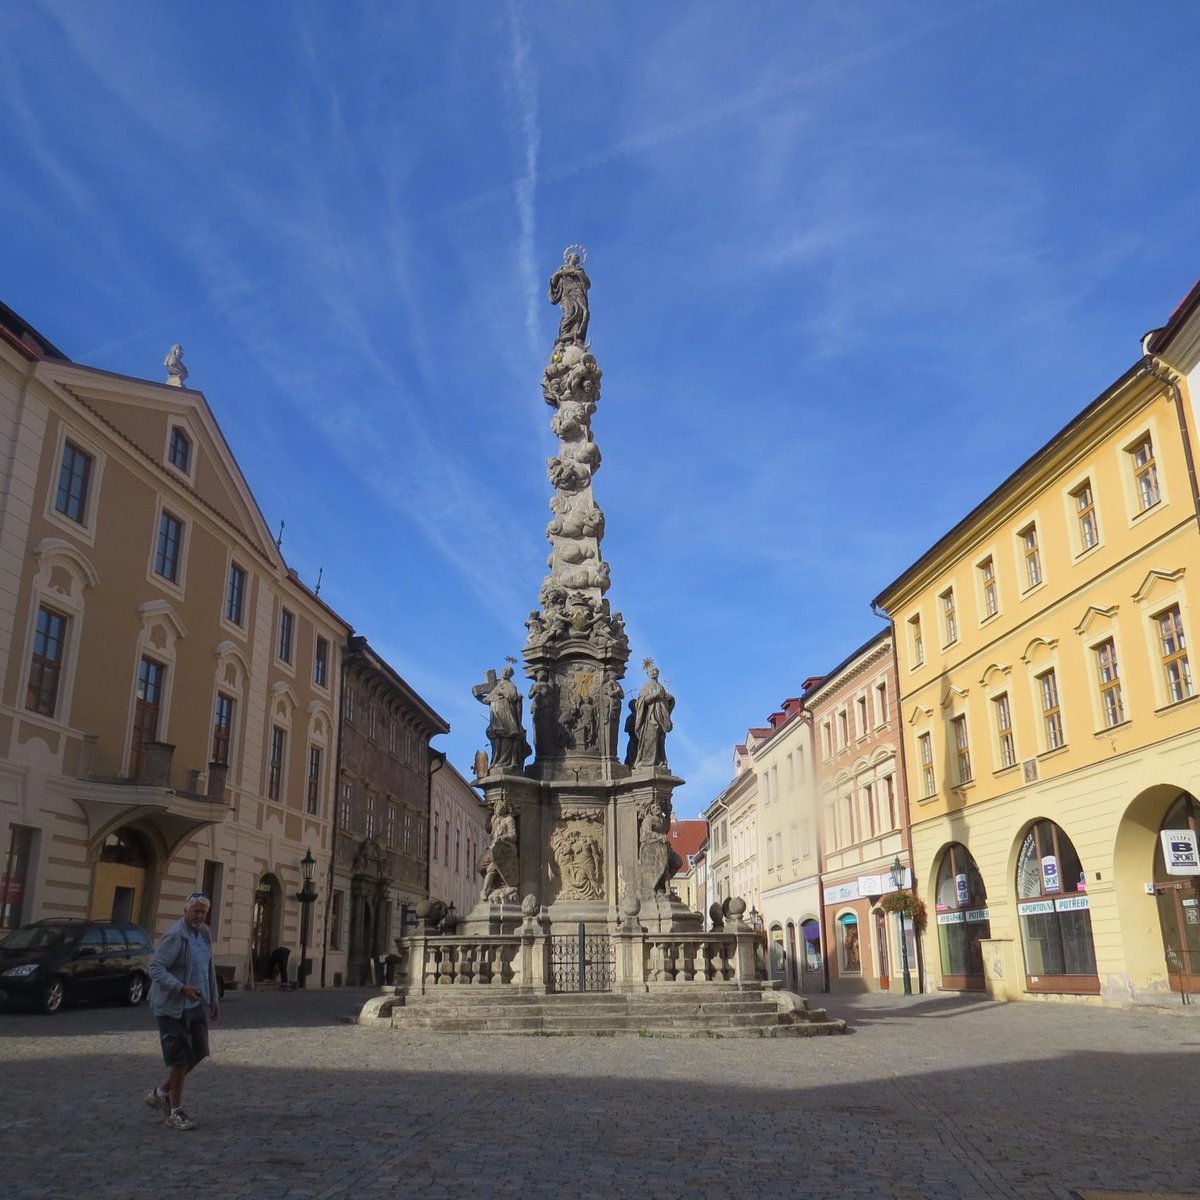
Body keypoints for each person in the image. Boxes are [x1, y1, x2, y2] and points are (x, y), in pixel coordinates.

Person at [145, 891, 219, 1131]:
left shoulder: (204, 933)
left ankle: (160, 1092)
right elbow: (155, 968)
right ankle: (175, 1111)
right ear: (185, 910)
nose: (199, 915)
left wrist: (214, 998)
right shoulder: (175, 936)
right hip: (172, 1006)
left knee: (199, 1052)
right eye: (195, 911)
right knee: (180, 1059)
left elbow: (208, 966)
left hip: (196, 1003)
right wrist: (180, 988)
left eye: (203, 912)